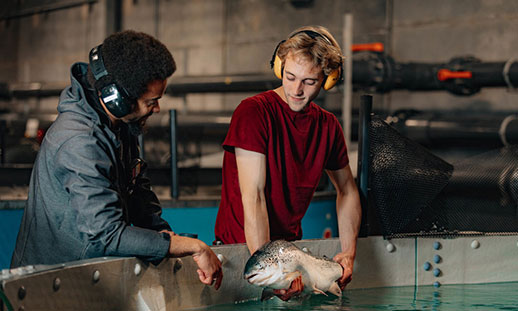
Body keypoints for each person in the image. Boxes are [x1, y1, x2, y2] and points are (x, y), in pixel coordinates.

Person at [11, 30, 222, 289]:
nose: (157, 109)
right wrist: (194, 248)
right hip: (48, 289)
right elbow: (107, 234)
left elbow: (137, 189)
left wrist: (161, 234)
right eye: (152, 101)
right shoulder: (80, 141)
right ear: (117, 99)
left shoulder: (119, 125)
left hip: (86, 278)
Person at [214, 25, 361, 299]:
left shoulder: (328, 126)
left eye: (309, 81)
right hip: (245, 258)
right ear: (280, 67)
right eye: (290, 77)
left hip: (291, 258)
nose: (296, 90)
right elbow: (254, 197)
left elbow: (347, 190)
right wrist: (274, 274)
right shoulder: (253, 112)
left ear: (328, 80)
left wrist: (349, 252)